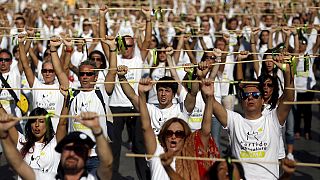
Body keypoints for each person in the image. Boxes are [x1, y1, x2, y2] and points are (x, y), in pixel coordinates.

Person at [211, 53, 294, 179]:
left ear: (262, 101)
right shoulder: (234, 120)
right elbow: (210, 100)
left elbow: (289, 97)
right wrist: (204, 82)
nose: (250, 97)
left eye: (255, 95)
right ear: (242, 102)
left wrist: (287, 71)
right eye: (246, 96)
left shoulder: (273, 118)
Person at [139, 78, 220, 180]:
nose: (173, 137)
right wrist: (141, 94)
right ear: (163, 136)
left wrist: (209, 99)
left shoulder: (189, 154)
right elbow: (146, 126)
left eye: (179, 134)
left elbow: (206, 131)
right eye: (169, 133)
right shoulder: (156, 152)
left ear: (185, 137)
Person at [0, 112, 113, 180]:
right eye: (68, 149)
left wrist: (97, 131)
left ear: (88, 154)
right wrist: (4, 136)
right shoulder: (48, 178)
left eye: (78, 150)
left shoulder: (92, 178)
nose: (72, 154)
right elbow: (18, 165)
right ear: (61, 153)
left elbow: (107, 164)